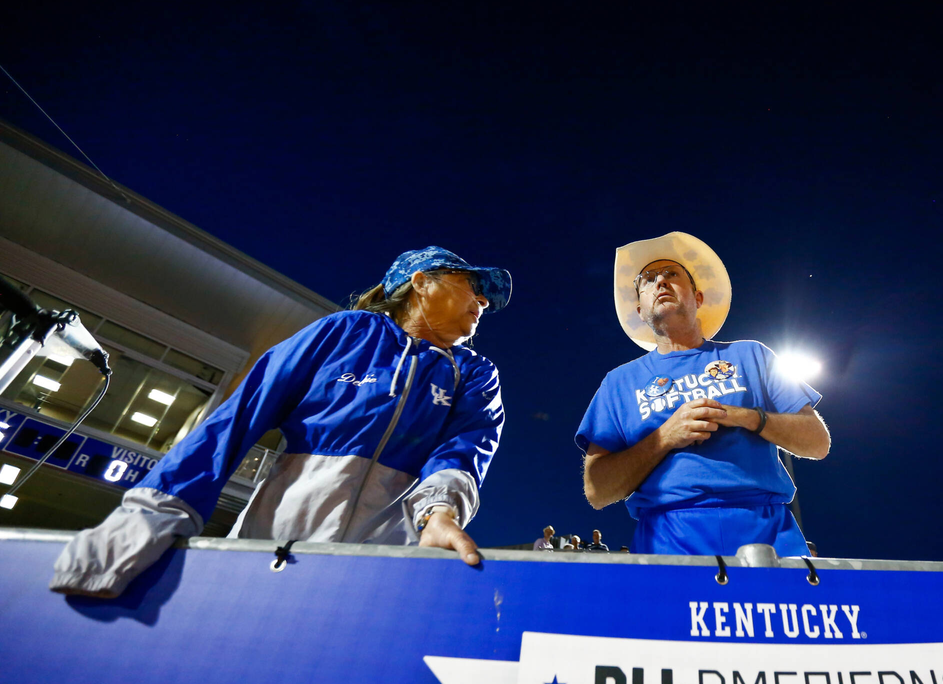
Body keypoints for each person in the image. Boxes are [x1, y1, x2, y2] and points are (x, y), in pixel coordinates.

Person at [50, 246, 511, 597]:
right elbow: (237, 418)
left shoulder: (476, 373)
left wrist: (440, 513)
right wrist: (152, 513)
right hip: (270, 545)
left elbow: (465, 450)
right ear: (421, 282)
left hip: (379, 567)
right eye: (472, 285)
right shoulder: (344, 331)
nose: (484, 302)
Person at [576, 232, 830, 556]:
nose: (661, 283)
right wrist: (666, 436)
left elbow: (817, 443)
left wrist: (745, 416)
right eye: (649, 280)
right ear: (640, 310)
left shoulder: (752, 355)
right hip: (668, 537)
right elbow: (597, 491)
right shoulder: (619, 383)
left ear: (698, 297)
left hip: (768, 529)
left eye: (672, 275)